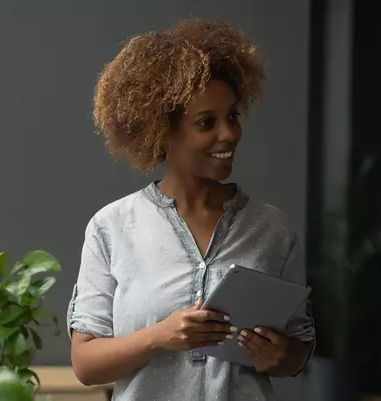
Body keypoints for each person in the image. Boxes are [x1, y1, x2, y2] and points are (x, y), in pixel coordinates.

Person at [67, 19, 315, 401]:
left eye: (232, 117)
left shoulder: (270, 227)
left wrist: (278, 355)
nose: (229, 134)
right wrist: (160, 336)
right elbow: (85, 364)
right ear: (161, 130)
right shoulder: (112, 227)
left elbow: (299, 351)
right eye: (206, 123)